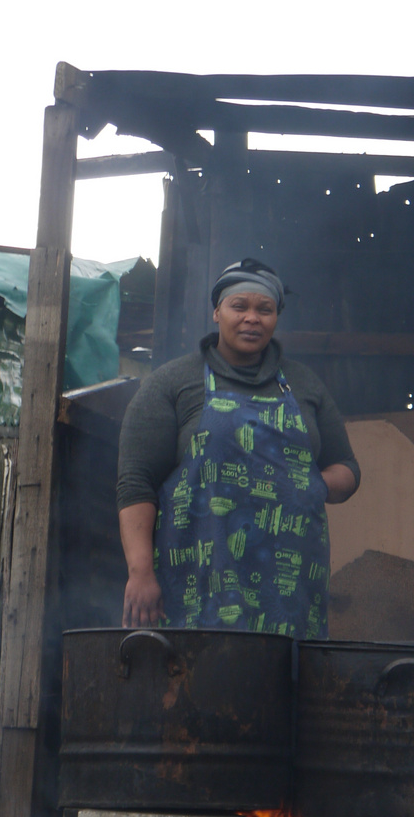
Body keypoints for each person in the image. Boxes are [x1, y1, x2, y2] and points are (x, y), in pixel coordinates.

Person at [116, 259, 360, 638]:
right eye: (239, 306)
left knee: (287, 687)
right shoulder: (173, 382)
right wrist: (140, 572)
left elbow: (346, 467)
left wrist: (310, 486)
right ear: (216, 311)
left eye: (265, 309)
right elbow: (135, 482)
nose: (252, 318)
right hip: (197, 585)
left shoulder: (302, 384)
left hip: (289, 591)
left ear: (276, 316)